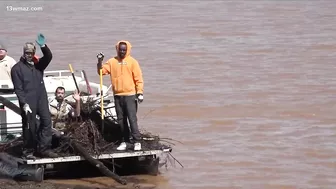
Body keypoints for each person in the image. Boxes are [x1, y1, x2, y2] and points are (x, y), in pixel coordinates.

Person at [11, 33, 58, 159]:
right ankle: (28, 151)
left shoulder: (38, 66)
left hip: (41, 98)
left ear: (34, 53)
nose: (29, 55)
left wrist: (43, 46)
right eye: (27, 53)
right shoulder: (17, 69)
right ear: (23, 53)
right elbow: (18, 89)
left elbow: (48, 56)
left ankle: (44, 149)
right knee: (29, 126)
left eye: (31, 53)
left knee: (47, 122)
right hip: (28, 101)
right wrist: (24, 103)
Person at [96, 40, 144, 151]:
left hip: (130, 95)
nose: (122, 51)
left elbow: (139, 78)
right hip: (117, 95)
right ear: (117, 49)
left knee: (132, 119)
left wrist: (140, 92)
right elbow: (101, 71)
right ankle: (125, 141)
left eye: (124, 50)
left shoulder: (133, 62)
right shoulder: (112, 61)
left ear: (127, 50)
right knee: (121, 119)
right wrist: (99, 61)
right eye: (120, 49)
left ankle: (137, 141)